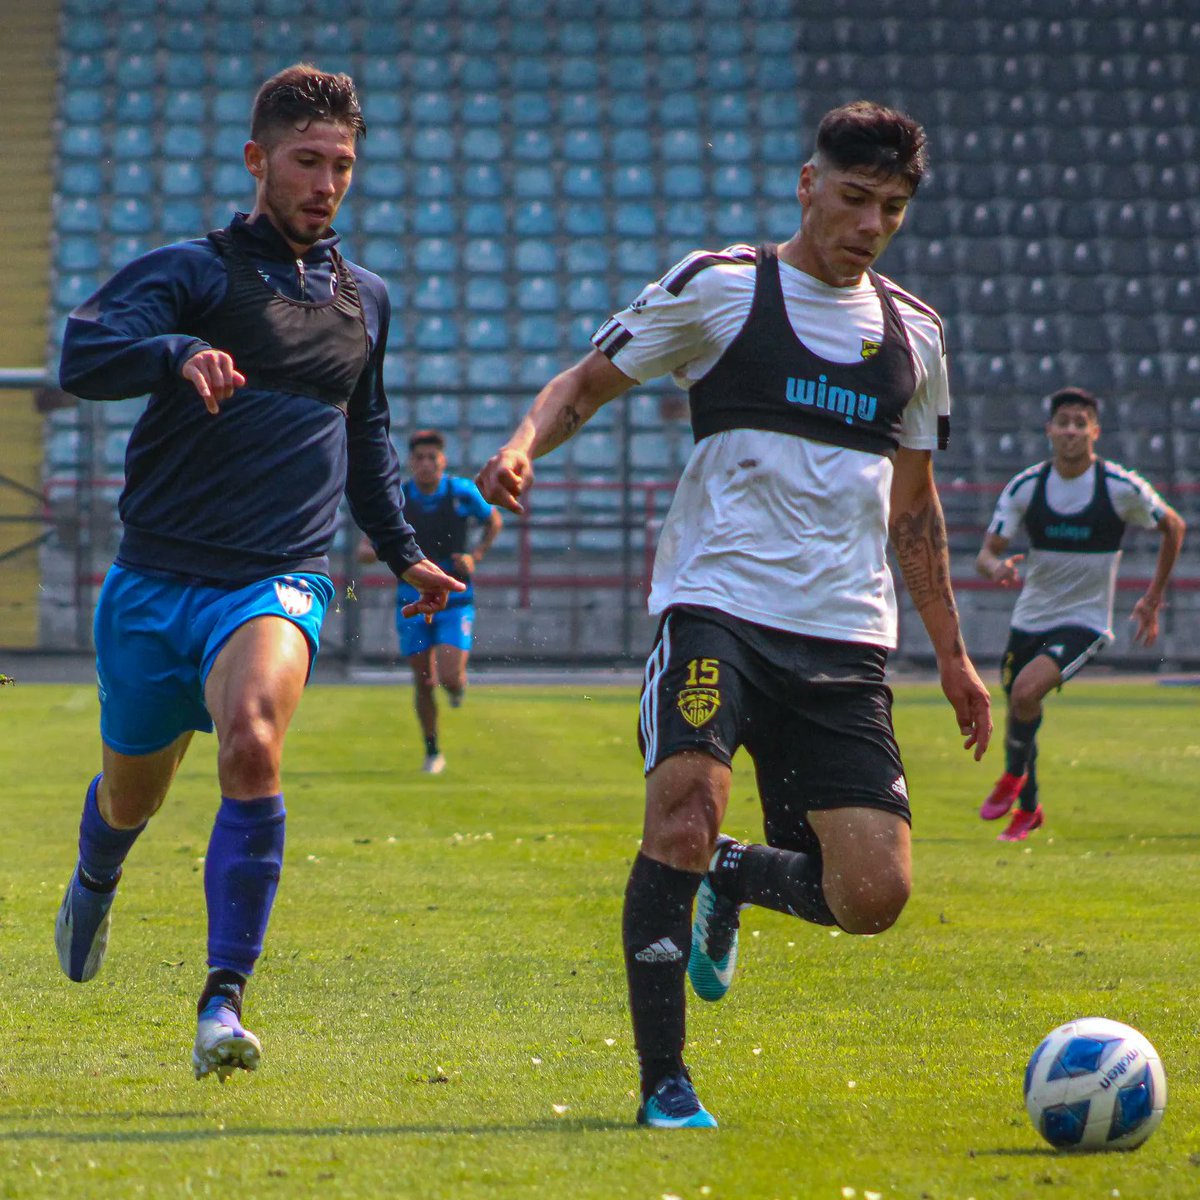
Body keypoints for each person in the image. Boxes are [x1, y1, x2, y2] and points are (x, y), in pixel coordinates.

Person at [478, 101, 991, 1128]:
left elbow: (917, 508)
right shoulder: (723, 288)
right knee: (680, 810)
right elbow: (587, 381)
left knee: (872, 897)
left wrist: (955, 656)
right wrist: (528, 441)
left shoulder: (916, 335)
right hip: (719, 611)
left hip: (845, 639)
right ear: (808, 185)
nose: (869, 224)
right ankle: (664, 1082)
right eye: (853, 199)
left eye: (889, 208)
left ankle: (732, 879)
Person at [53, 64, 463, 1081]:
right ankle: (95, 876)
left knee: (252, 740)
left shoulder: (365, 299)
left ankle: (220, 1006)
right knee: (130, 797)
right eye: (306, 162)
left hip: (275, 579)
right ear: (258, 161)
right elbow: (82, 355)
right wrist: (174, 352)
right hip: (153, 584)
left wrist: (406, 551)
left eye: (342, 166)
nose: (326, 183)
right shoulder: (193, 272)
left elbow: (366, 433)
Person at [976, 386, 1185, 841]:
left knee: (1026, 693)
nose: (1071, 430)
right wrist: (998, 568)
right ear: (1049, 430)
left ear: (1094, 431)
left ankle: (1012, 779)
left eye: (1079, 422)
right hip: (1029, 618)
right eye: (1063, 422)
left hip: (1086, 620)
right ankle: (1029, 810)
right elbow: (987, 554)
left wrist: (1152, 598)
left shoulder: (1119, 487)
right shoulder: (1027, 486)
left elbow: (1174, 525)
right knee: (1019, 705)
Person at [358, 429, 502, 774]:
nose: (425, 465)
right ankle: (432, 750)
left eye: (431, 459)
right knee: (423, 680)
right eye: (419, 459)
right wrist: (377, 551)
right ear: (411, 462)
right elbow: (365, 548)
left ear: (443, 461)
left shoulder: (462, 492)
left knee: (450, 676)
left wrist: (475, 555)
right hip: (413, 602)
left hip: (456, 599)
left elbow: (493, 520)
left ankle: (457, 688)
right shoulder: (398, 499)